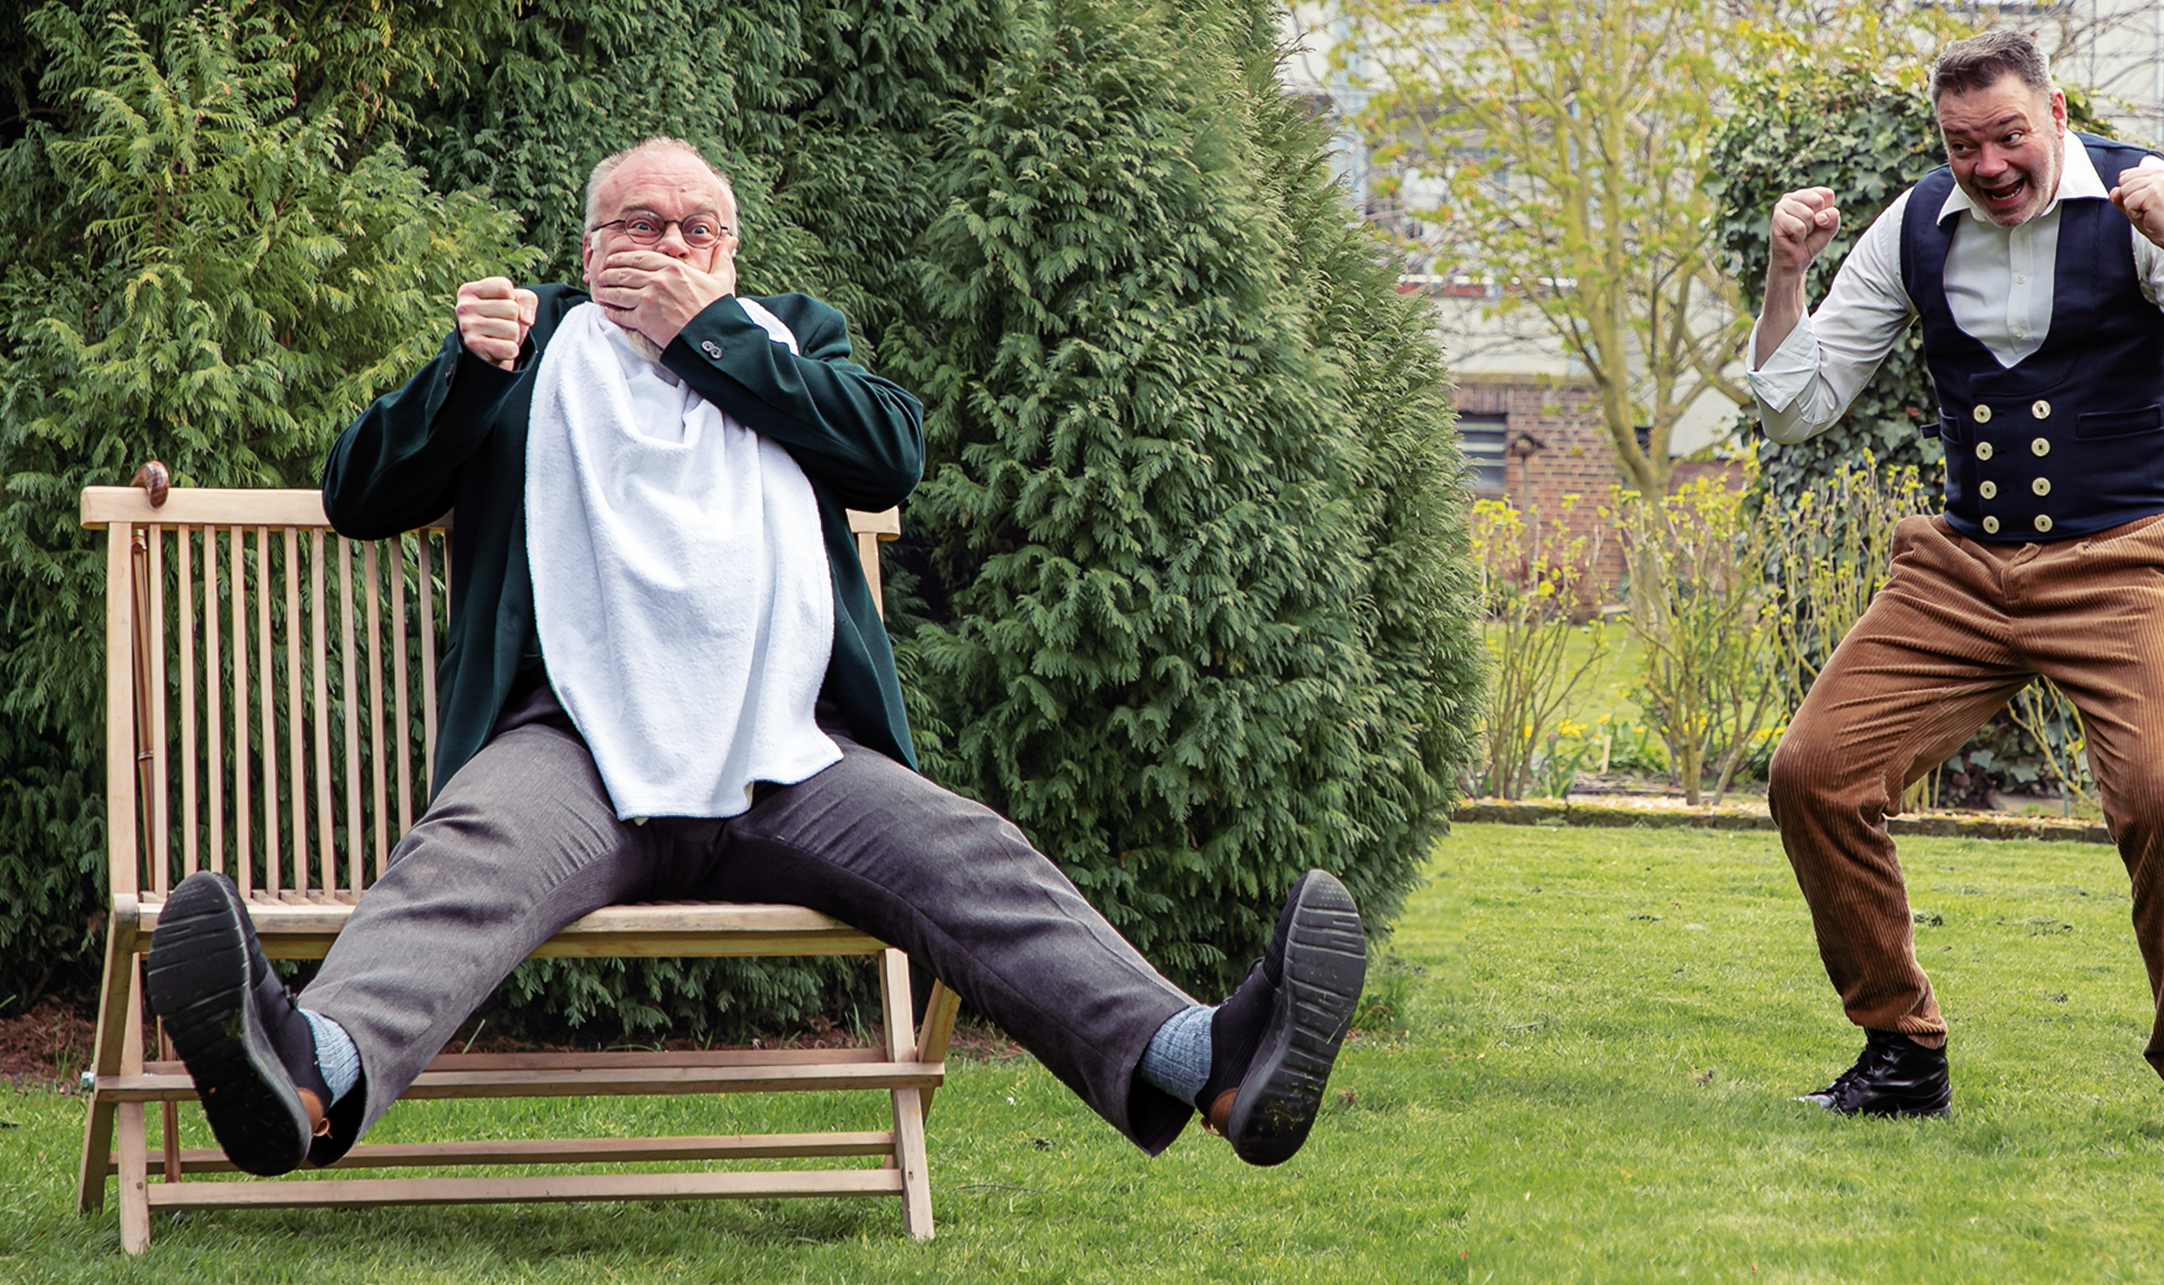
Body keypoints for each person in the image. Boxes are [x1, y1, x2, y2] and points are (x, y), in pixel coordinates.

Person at [143, 136, 1366, 1182]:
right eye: (642, 224)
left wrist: (709, 335)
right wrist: (466, 371)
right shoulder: (528, 348)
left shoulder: (788, 337)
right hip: (575, 758)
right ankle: (307, 1078)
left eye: (700, 230)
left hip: (792, 762)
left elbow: (888, 452)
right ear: (588, 250)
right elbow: (359, 493)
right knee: (464, 859)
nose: (672, 244)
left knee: (971, 856)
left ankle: (1213, 1064)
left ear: (732, 257)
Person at [1749, 30, 2164, 1144]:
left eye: (2006, 136)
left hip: (2125, 561)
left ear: (2053, 114)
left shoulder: (2142, 202)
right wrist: (1785, 271)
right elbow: (1797, 406)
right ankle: (1901, 1051)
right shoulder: (1912, 225)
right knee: (1813, 774)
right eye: (1961, 145)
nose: (1986, 164)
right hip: (1963, 567)